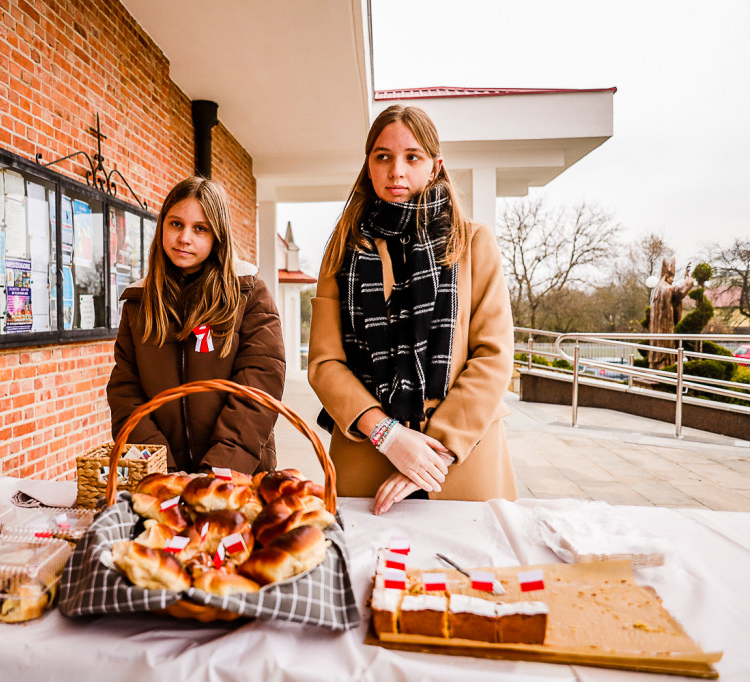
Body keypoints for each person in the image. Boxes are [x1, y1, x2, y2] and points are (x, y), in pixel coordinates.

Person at [308, 105, 516, 513]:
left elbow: (493, 356)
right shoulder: (343, 250)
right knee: (368, 572)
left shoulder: (473, 243)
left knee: (464, 575)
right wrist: (389, 435)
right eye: (382, 156)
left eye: (412, 156)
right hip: (367, 457)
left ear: (435, 166)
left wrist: (430, 457)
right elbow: (325, 362)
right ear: (368, 166)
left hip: (460, 460)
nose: (396, 171)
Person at [106, 176, 285, 475]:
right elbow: (125, 392)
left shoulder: (249, 294)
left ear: (218, 236)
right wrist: (160, 468)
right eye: (176, 224)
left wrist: (219, 471)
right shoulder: (139, 304)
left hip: (237, 479)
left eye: (199, 228)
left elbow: (259, 386)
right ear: (163, 225)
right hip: (163, 480)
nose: (184, 237)